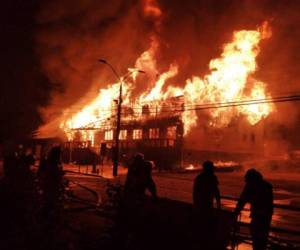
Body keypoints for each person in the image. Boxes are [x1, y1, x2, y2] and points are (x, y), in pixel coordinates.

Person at [234, 169, 273, 250]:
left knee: (256, 236)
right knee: (262, 238)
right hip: (266, 215)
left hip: (258, 215)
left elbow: (242, 199)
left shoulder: (251, 185)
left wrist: (236, 212)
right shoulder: (266, 185)